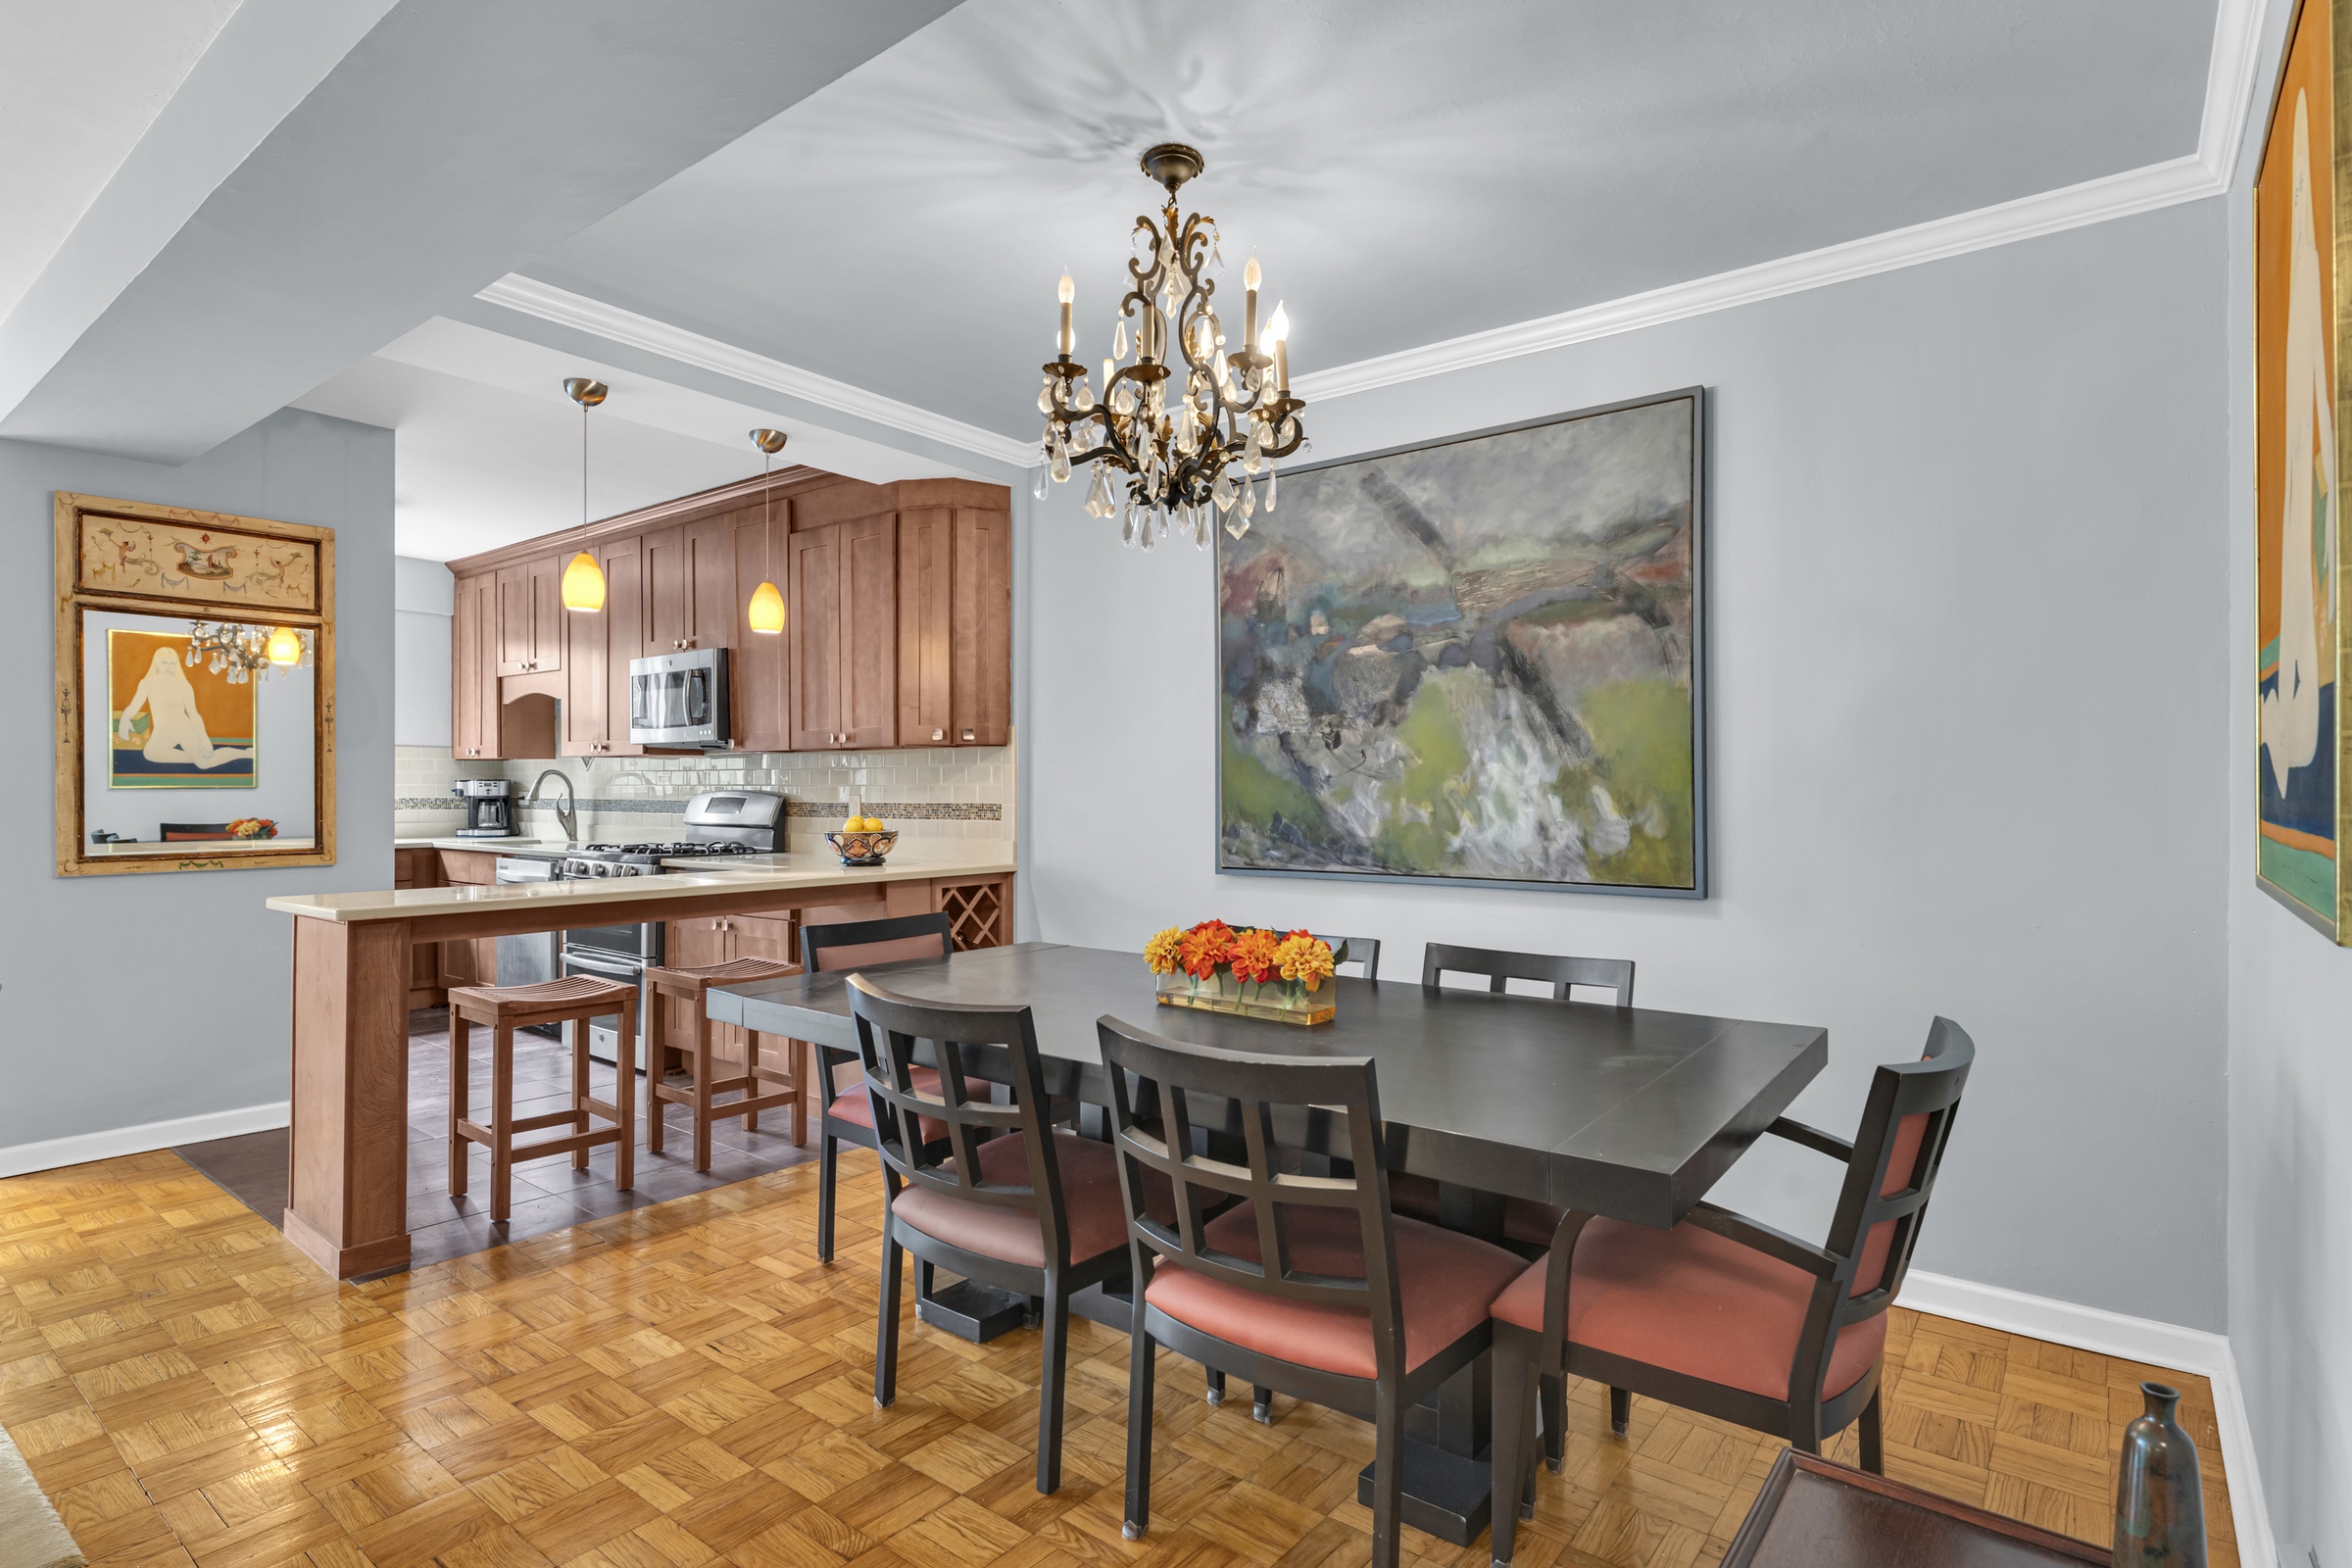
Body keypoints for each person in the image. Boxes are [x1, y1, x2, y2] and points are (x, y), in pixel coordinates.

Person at [118, 647, 251, 770]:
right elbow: (134, 705)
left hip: (184, 730)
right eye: (164, 663)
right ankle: (198, 757)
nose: (168, 667)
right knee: (150, 753)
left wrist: (204, 738)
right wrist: (125, 717)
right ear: (156, 663)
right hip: (162, 732)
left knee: (204, 764)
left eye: (172, 663)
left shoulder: (183, 685)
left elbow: (193, 714)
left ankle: (244, 754)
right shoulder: (146, 683)